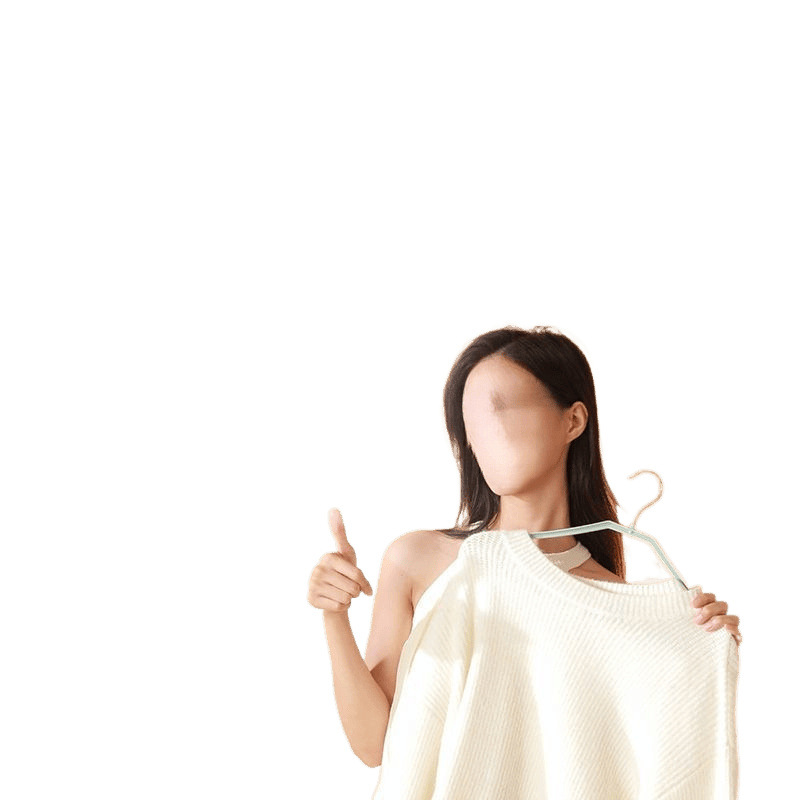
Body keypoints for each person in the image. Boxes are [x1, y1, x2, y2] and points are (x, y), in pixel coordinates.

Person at [307, 324, 742, 769]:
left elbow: (645, 764)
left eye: (502, 408)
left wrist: (704, 654)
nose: (484, 434)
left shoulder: (613, 602)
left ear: (573, 421)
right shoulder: (418, 560)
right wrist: (334, 615)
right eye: (471, 421)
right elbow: (374, 746)